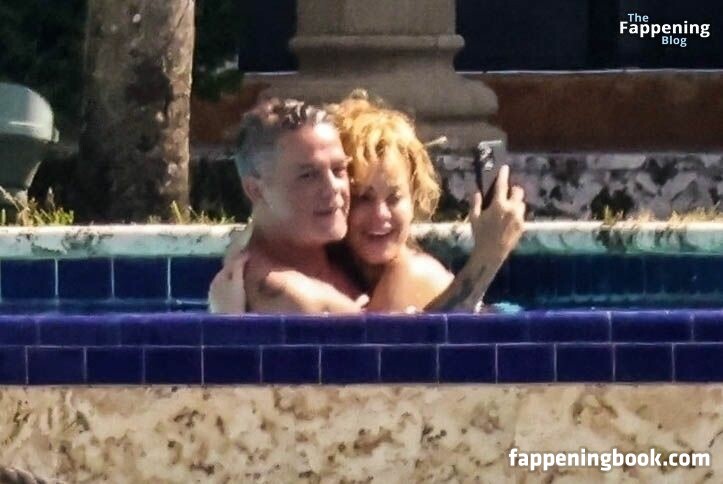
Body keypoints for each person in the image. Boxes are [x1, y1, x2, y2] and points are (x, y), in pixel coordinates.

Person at [208, 96, 525, 314]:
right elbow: (406, 356)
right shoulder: (289, 295)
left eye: (339, 170)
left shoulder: (326, 251)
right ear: (256, 190)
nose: (333, 189)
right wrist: (487, 257)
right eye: (308, 175)